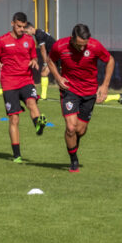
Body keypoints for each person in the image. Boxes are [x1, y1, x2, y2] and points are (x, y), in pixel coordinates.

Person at [47, 23, 115, 173]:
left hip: (89, 92)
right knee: (71, 128)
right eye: (79, 45)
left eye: (85, 45)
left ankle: (73, 147)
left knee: (81, 130)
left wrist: (104, 86)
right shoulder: (60, 46)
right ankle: (74, 161)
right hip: (69, 90)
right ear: (72, 39)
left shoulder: (95, 46)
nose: (82, 48)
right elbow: (50, 60)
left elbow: (110, 60)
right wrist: (58, 78)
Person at [0, 12, 48, 164]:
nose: (21, 29)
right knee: (14, 119)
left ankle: (38, 126)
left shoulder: (29, 40)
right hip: (9, 84)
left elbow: (33, 56)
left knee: (32, 103)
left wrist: (34, 61)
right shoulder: (1, 41)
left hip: (26, 80)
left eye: (23, 26)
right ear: (12, 23)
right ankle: (17, 155)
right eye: (19, 26)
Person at [24, 22, 56, 100]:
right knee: (44, 73)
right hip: (54, 53)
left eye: (26, 31)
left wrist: (45, 63)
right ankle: (43, 96)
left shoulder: (39, 35)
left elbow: (43, 49)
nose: (26, 34)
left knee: (44, 73)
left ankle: (43, 96)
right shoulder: (38, 33)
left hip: (55, 53)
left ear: (31, 28)